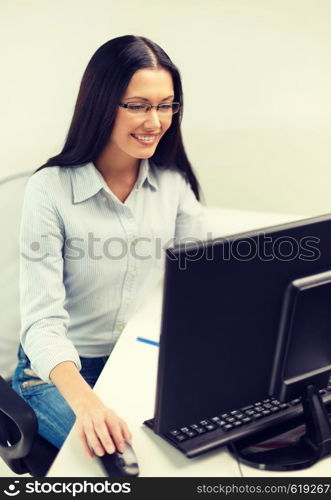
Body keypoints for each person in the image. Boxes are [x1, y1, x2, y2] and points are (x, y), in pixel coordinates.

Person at [12, 35, 207, 460]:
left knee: (192, 447)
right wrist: (89, 406)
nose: (155, 121)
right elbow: (42, 323)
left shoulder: (172, 183)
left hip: (133, 361)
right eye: (137, 105)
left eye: (166, 105)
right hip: (56, 374)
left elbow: (202, 282)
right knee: (130, 460)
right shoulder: (50, 190)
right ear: (102, 105)